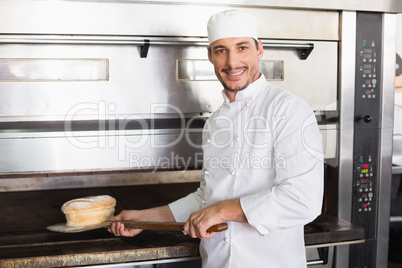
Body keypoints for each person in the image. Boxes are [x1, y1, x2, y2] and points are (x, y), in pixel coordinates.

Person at [109, 9, 324, 268]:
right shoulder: (216, 122)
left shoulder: (287, 110)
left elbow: (302, 200)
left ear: (260, 50)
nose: (232, 62)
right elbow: (207, 198)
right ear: (210, 56)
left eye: (242, 48)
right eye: (221, 50)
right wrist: (143, 218)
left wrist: (221, 210)